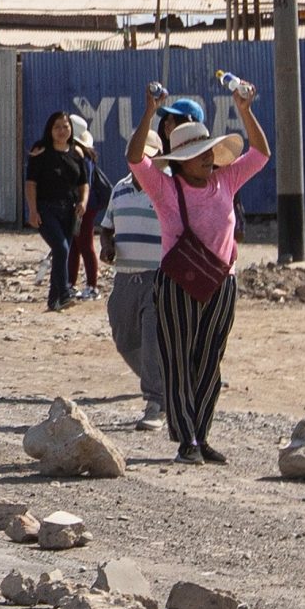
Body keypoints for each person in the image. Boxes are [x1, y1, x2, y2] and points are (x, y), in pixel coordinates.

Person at [128, 77, 268, 464]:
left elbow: (260, 153)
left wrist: (245, 111)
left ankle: (201, 435)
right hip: (178, 284)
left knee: (210, 361)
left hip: (222, 283)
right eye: (198, 154)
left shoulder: (226, 179)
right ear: (179, 160)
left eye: (209, 151)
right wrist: (148, 113)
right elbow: (135, 158)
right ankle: (186, 438)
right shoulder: (163, 187)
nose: (208, 159)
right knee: (178, 360)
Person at [101, 96, 201, 433]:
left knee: (152, 338)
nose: (143, 160)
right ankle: (167, 383)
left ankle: (156, 401)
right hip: (125, 278)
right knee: (124, 338)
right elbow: (107, 226)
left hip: (159, 276)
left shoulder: (169, 188)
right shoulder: (120, 189)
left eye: (149, 154)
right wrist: (107, 245)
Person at [24, 111, 90, 312]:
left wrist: (83, 202)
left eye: (65, 126)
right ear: (50, 130)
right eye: (57, 127)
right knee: (61, 249)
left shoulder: (77, 153)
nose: (62, 131)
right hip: (46, 209)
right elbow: (31, 183)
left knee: (63, 253)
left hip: (69, 211)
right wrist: (33, 210)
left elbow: (84, 183)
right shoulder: (41, 152)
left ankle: (54, 300)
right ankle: (64, 293)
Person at [69, 115, 107, 299]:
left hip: (84, 207)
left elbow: (84, 184)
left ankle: (92, 286)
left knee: (84, 244)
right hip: (80, 207)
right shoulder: (81, 155)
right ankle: (70, 284)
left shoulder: (81, 157)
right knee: (74, 246)